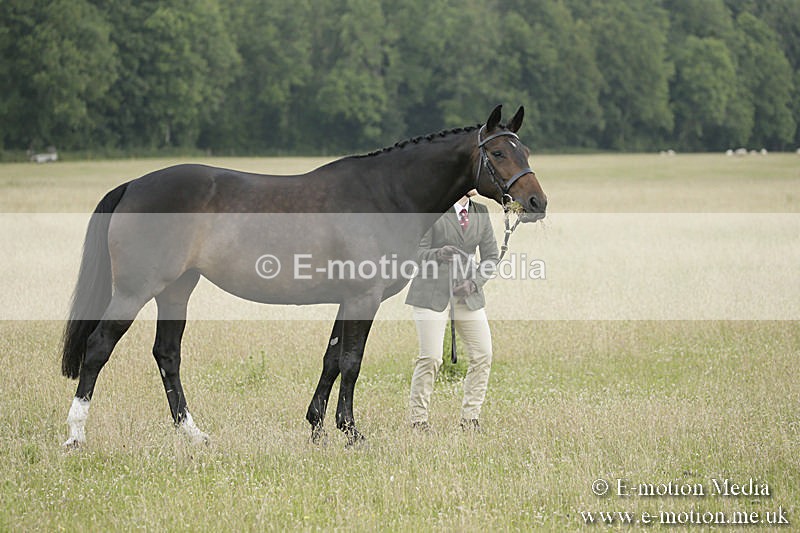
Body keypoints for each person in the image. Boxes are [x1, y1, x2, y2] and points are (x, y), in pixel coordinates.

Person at [405, 189, 499, 432]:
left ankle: (470, 419)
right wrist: (437, 253)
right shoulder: (433, 208)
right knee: (431, 358)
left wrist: (474, 283)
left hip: (467, 294)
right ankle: (418, 421)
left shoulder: (481, 212)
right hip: (431, 293)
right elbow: (414, 253)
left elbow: (490, 256)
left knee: (483, 354)